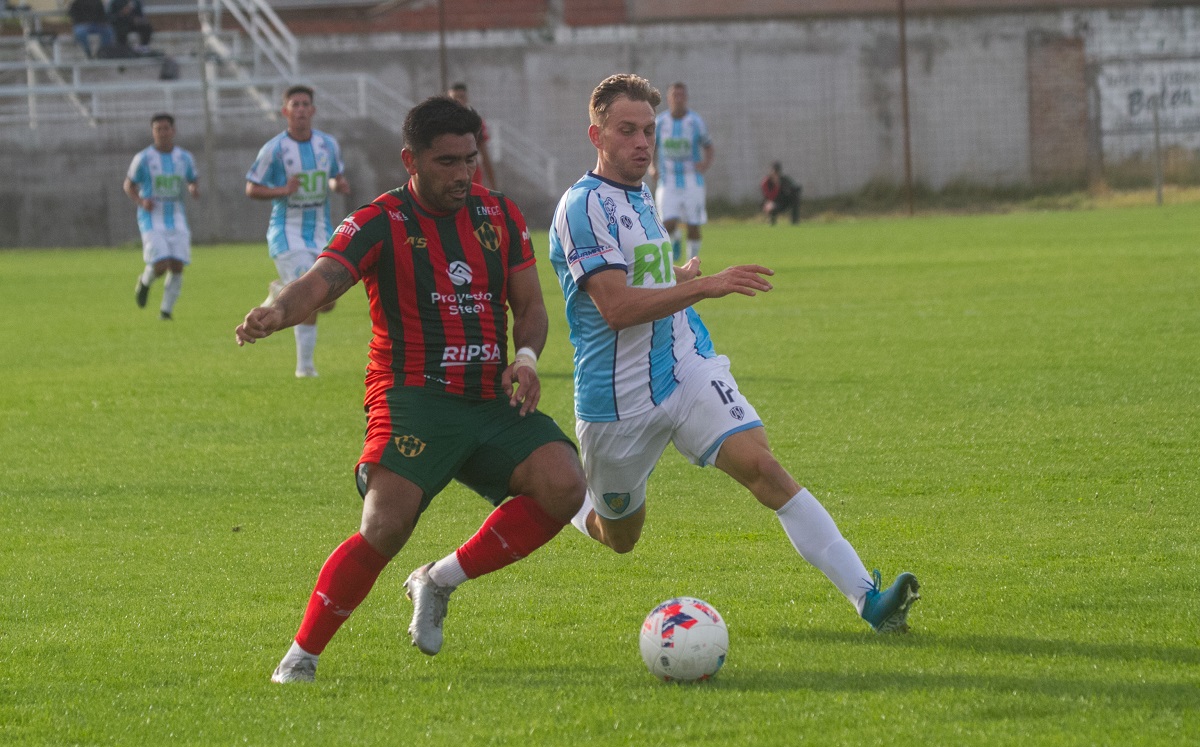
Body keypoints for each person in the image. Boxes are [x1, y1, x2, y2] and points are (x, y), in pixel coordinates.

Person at [549, 74, 920, 634]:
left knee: (765, 469)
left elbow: (640, 276)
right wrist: (704, 286)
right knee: (618, 536)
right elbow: (617, 308)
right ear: (595, 135)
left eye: (648, 130)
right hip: (616, 400)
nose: (642, 142)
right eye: (627, 131)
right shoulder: (580, 207)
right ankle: (569, 503)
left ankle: (868, 598)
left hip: (684, 364)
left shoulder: (640, 193)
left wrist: (678, 277)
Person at [236, 96, 586, 684]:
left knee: (565, 486)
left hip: (488, 398)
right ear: (411, 160)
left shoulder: (498, 215)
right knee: (385, 525)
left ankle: (439, 578)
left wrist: (525, 358)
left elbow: (529, 307)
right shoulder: (380, 220)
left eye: (470, 159)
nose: (462, 174)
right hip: (413, 397)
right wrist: (278, 312)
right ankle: (302, 654)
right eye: (447, 162)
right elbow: (322, 280)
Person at [245, 85, 350, 378]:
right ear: (286, 111)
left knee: (326, 301)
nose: (301, 109)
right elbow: (251, 187)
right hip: (287, 232)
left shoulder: (328, 145)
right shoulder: (274, 149)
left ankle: (280, 290)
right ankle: (304, 369)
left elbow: (334, 177)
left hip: (320, 230)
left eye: (306, 104)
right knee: (310, 301)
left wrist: (337, 186)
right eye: (296, 104)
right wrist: (283, 189)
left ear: (313, 110)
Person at [126, 113, 199, 321]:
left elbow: (192, 179)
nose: (163, 133)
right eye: (158, 129)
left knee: (177, 265)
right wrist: (141, 201)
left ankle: (166, 312)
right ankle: (145, 282)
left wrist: (193, 188)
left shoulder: (184, 158)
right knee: (161, 265)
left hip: (176, 216)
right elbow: (128, 185)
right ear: (153, 132)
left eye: (166, 128)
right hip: (152, 218)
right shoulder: (143, 159)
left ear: (173, 131)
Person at [650, 81, 713, 265]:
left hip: (692, 179)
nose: (678, 99)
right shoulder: (660, 122)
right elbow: (652, 147)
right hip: (667, 179)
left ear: (685, 98)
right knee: (667, 224)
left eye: (681, 96)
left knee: (694, 225)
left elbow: (708, 146)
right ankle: (674, 243)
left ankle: (690, 263)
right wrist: (652, 167)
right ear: (669, 99)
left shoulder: (695, 122)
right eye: (674, 96)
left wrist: (705, 163)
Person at [447, 81, 497, 189]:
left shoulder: (475, 122)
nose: (458, 101)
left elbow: (484, 155)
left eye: (461, 97)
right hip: (448, 178)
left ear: (466, 98)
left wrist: (494, 187)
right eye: (455, 98)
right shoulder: (442, 123)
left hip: (471, 178)